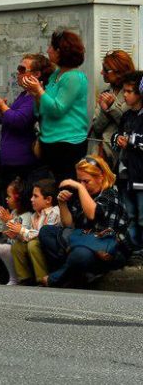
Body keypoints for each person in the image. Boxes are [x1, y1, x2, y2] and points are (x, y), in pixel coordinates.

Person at [38, 156, 130, 287]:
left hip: (108, 249)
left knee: (80, 254)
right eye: (79, 181)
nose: (82, 185)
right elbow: (68, 225)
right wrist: (62, 203)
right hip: (82, 240)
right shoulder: (83, 193)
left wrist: (79, 188)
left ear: (100, 177)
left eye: (86, 181)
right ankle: (77, 271)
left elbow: (93, 214)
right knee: (46, 232)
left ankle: (56, 278)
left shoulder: (110, 194)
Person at [25, 30, 89, 183]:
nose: (48, 50)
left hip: (67, 144)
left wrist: (40, 91)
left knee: (66, 187)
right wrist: (36, 95)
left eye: (51, 47)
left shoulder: (73, 77)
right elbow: (40, 111)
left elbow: (57, 109)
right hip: (50, 141)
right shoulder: (56, 75)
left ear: (61, 52)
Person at [0, 54, 49, 191]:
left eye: (22, 69)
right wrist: (3, 109)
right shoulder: (24, 95)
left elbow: (20, 120)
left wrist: (2, 107)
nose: (18, 73)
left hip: (22, 162)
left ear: (37, 74)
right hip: (12, 161)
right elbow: (10, 119)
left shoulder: (34, 97)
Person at [9, 178, 60, 284]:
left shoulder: (55, 212)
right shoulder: (35, 215)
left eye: (35, 196)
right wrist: (17, 234)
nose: (31, 199)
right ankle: (25, 279)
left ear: (48, 200)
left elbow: (43, 235)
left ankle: (42, 280)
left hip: (53, 248)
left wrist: (22, 230)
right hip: (39, 246)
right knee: (17, 246)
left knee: (33, 244)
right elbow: (29, 235)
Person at [115, 70, 143, 256]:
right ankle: (133, 246)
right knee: (130, 215)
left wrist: (132, 142)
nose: (124, 94)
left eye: (129, 91)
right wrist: (117, 139)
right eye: (124, 90)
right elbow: (116, 135)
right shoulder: (126, 116)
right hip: (126, 175)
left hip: (141, 175)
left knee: (142, 216)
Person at [91, 50, 136, 161]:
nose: (102, 73)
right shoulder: (105, 92)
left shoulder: (134, 93)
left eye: (106, 70)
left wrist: (111, 108)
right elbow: (96, 128)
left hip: (123, 155)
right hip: (101, 152)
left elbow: (130, 124)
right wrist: (105, 111)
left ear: (119, 71)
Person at [0, 180, 28, 284]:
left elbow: (23, 235)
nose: (6, 200)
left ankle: (14, 278)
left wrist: (9, 220)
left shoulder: (27, 215)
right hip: (9, 243)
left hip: (19, 247)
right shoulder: (13, 212)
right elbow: (6, 234)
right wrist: (5, 222)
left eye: (9, 196)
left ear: (18, 198)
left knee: (4, 248)